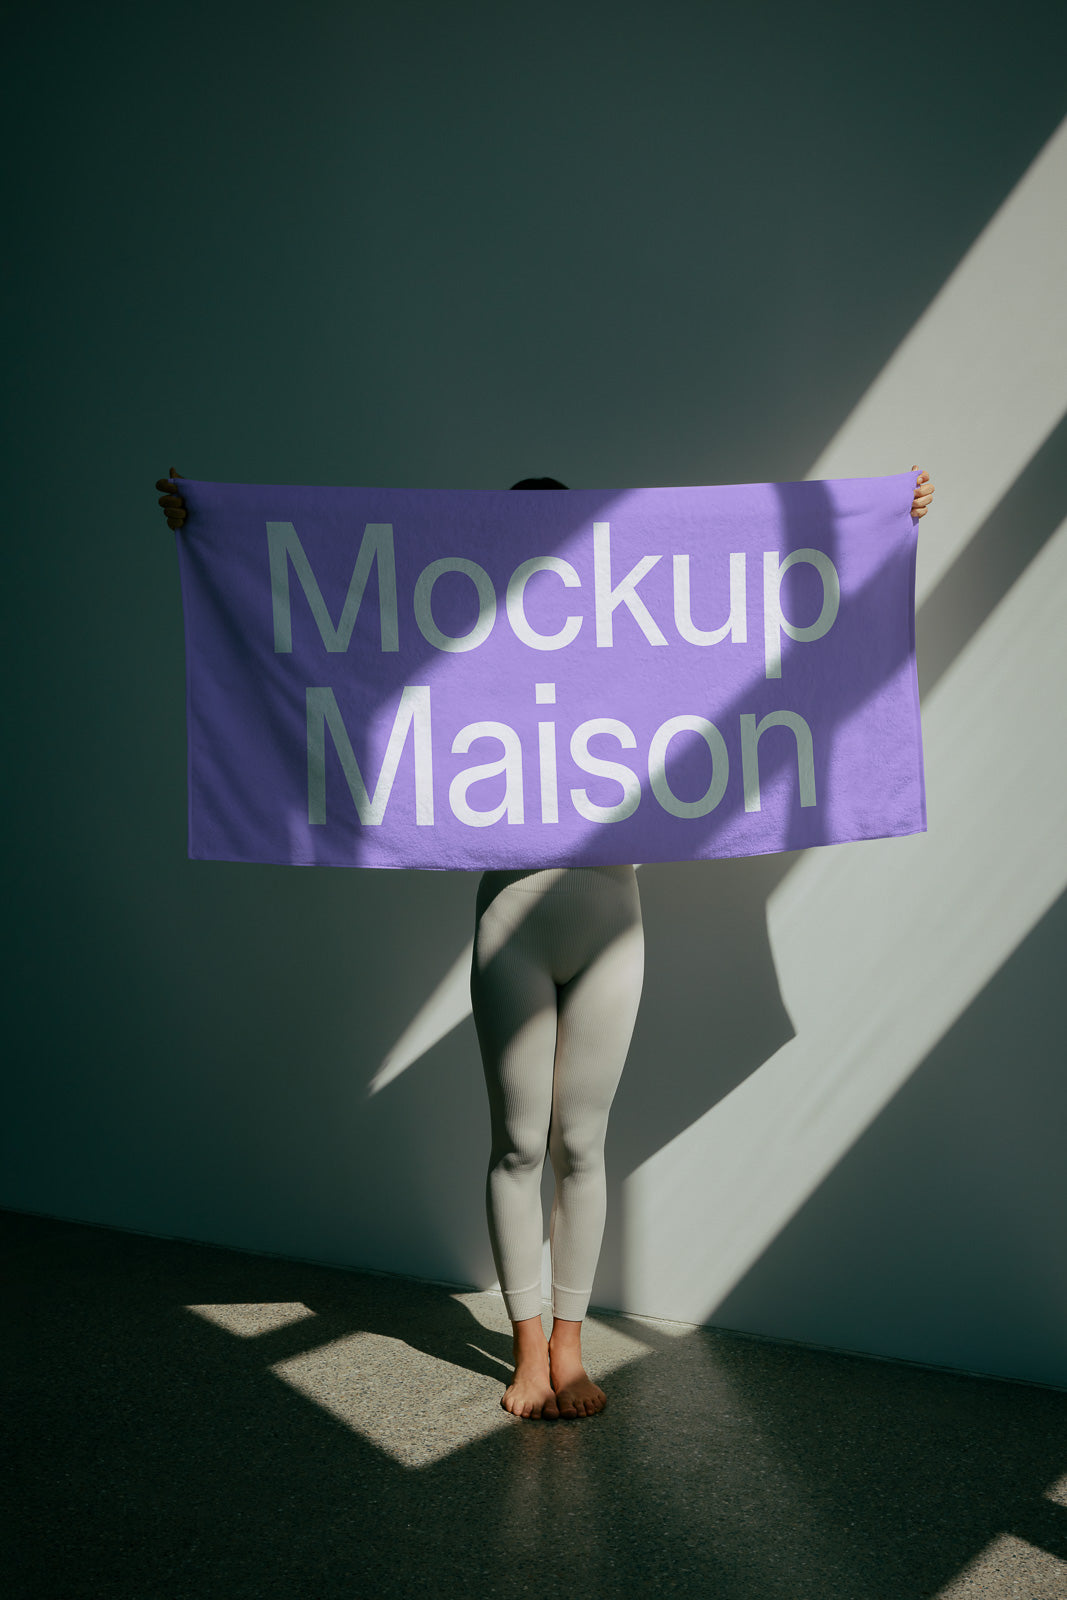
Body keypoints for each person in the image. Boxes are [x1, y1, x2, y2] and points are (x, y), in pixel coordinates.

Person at [156, 462, 936, 1421]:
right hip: (511, 921)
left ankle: (569, 1350)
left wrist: (879, 520)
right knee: (519, 1144)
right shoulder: (469, 654)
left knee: (580, 1143)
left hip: (611, 918)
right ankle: (528, 1353)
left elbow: (749, 626)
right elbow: (341, 631)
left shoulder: (627, 648)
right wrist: (212, 525)